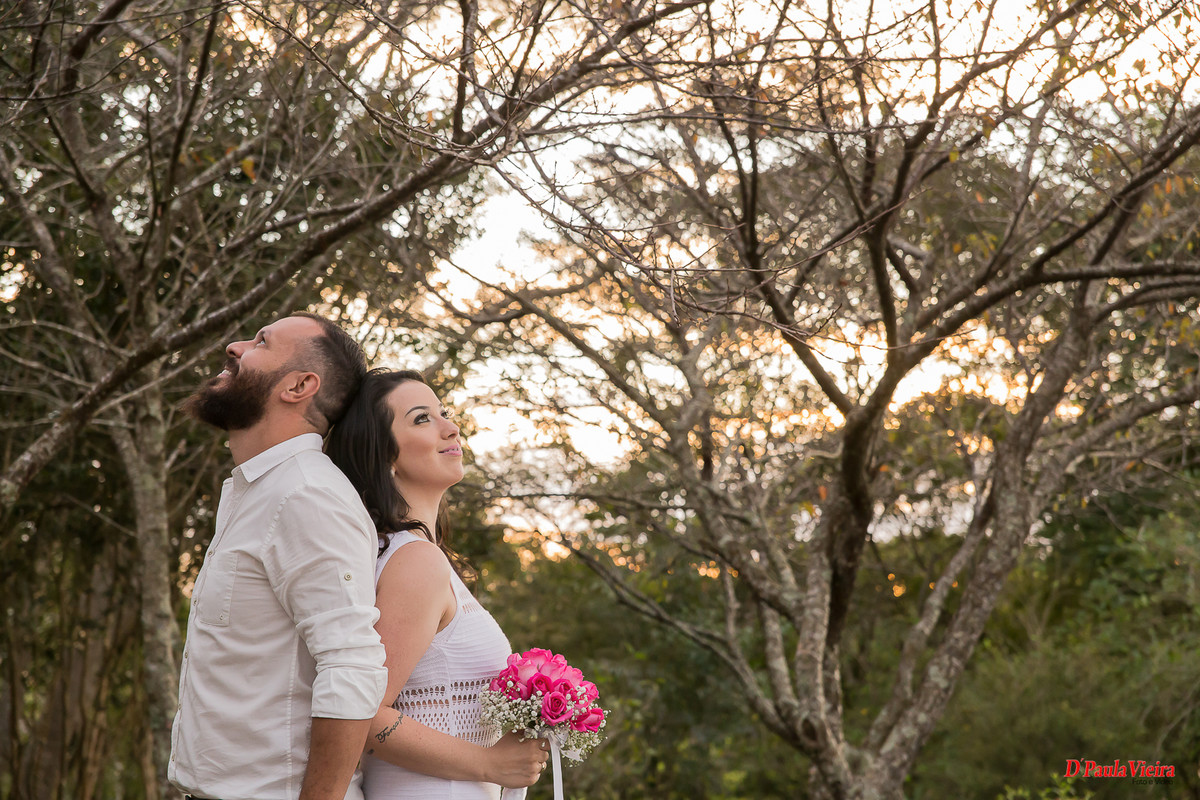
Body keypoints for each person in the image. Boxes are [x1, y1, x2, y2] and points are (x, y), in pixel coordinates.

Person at [170, 313, 388, 800]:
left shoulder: (307, 494)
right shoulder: (257, 491)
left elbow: (352, 666)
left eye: (260, 341)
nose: (234, 345)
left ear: (298, 385)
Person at [325, 369, 548, 800]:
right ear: (384, 453)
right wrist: (489, 763)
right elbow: (360, 713)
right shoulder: (416, 562)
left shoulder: (415, 555)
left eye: (443, 412)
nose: (451, 426)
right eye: (422, 418)